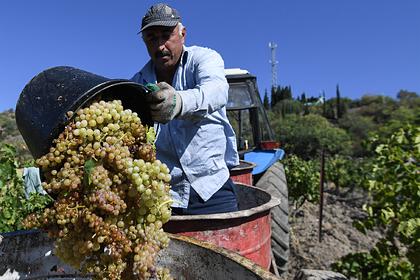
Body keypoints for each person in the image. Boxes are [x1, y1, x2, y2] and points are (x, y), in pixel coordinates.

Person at [131, 3, 239, 215]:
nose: (160, 45)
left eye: (166, 35)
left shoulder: (203, 59)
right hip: (165, 197)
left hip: (211, 188)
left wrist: (178, 102)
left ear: (182, 34)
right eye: (152, 38)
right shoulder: (138, 82)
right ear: (145, 42)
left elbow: (216, 91)